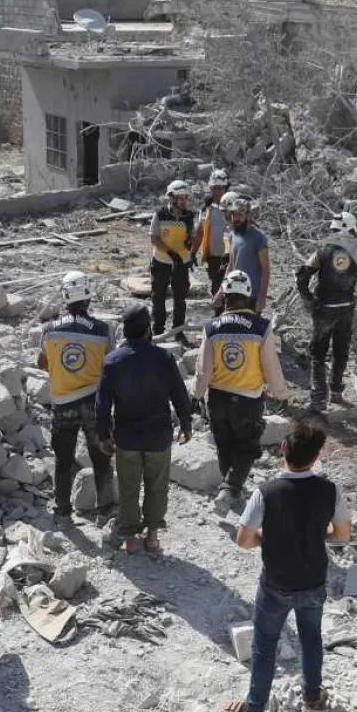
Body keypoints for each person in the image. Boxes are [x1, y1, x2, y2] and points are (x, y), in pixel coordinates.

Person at [219, 414, 351, 712]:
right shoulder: (329, 490)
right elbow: (343, 536)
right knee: (311, 639)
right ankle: (312, 697)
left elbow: (243, 540)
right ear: (316, 456)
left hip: (276, 583)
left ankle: (254, 707)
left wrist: (266, 538)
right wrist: (320, 534)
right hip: (313, 580)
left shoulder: (265, 492)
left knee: (265, 644)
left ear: (282, 449)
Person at [95, 303, 193, 554]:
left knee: (129, 488)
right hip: (158, 437)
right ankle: (151, 537)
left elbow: (102, 404)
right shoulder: (164, 358)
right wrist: (186, 424)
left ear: (124, 331)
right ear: (148, 329)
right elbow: (180, 395)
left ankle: (130, 540)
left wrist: (103, 435)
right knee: (157, 486)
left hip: (126, 438)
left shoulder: (112, 362)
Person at [195, 270, 289, 514]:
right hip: (248, 399)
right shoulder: (261, 327)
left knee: (224, 445)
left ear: (224, 297)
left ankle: (231, 488)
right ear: (248, 297)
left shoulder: (211, 327)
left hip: (218, 398)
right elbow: (271, 366)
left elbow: (203, 370)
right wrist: (281, 393)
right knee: (246, 446)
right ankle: (229, 489)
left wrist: (197, 395)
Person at [37, 271, 115, 518]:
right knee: (101, 457)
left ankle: (62, 512)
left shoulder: (48, 330)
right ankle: (104, 511)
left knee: (63, 459)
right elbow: (110, 365)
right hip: (94, 402)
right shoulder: (103, 330)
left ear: (65, 298)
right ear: (89, 299)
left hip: (62, 403)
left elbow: (42, 363)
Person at [297, 211, 357, 411]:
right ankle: (336, 392)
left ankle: (319, 398)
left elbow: (302, 275)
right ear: (352, 229)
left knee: (318, 353)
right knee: (341, 350)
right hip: (347, 309)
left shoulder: (323, 252)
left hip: (325, 309)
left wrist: (309, 299)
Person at [150, 179, 197, 339]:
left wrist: (191, 243)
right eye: (180, 198)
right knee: (158, 298)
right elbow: (154, 239)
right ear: (172, 198)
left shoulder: (190, 216)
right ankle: (158, 331)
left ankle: (178, 331)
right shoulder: (160, 214)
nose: (184, 201)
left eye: (186, 197)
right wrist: (171, 253)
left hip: (182, 264)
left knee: (180, 299)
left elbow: (192, 237)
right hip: (161, 262)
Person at [223, 192, 270, 312]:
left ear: (248, 216)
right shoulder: (233, 235)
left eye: (240, 214)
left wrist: (262, 297)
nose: (236, 218)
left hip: (252, 296)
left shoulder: (258, 238)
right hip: (234, 294)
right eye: (233, 214)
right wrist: (221, 290)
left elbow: (265, 270)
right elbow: (231, 265)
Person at [197, 169, 231, 297]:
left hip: (231, 257)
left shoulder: (233, 207)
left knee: (229, 289)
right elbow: (201, 231)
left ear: (225, 188)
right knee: (216, 289)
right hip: (213, 257)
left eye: (220, 188)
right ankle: (218, 315)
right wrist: (193, 252)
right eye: (215, 187)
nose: (217, 191)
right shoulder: (206, 208)